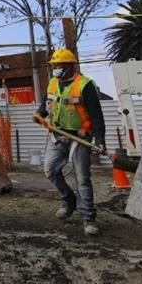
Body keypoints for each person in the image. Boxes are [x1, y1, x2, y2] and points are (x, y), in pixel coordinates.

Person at [34, 48, 106, 237]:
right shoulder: (53, 83)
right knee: (50, 170)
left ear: (70, 66)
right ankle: (69, 200)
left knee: (82, 178)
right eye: (54, 65)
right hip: (57, 135)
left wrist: (100, 139)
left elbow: (97, 115)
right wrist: (39, 114)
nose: (55, 68)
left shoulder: (85, 85)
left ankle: (88, 218)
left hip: (79, 137)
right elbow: (47, 103)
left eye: (58, 65)